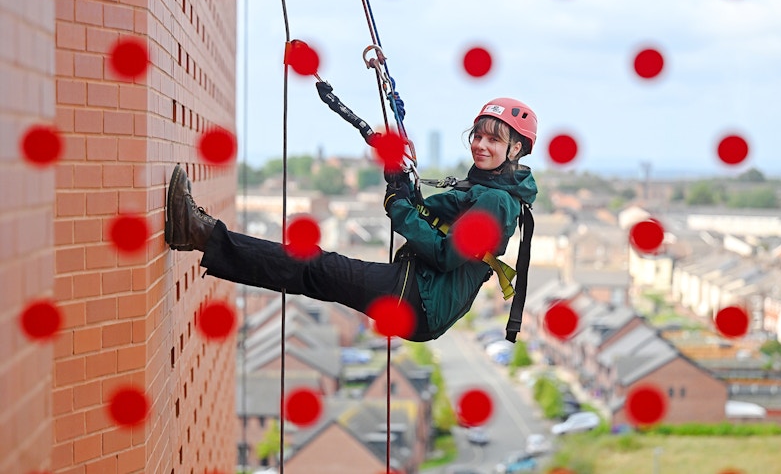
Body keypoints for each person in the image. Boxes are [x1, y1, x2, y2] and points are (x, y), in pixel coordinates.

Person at [165, 98, 538, 341]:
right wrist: (400, 184)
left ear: (515, 148)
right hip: (421, 295)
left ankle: (199, 234)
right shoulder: (484, 189)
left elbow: (444, 253)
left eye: (494, 139)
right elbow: (427, 213)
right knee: (312, 271)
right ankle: (199, 235)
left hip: (420, 299)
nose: (481, 145)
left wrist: (398, 204)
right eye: (478, 135)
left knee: (312, 267)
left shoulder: (495, 201)